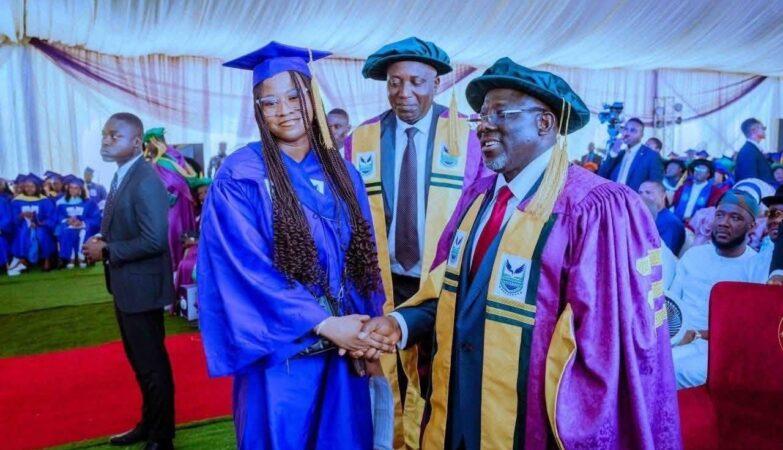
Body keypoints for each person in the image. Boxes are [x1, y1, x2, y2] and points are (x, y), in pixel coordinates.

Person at [358, 58, 681, 449]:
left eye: (500, 113)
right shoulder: (478, 197)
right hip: (457, 411)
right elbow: (450, 291)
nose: (484, 126)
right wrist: (400, 324)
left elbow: (608, 346)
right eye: (482, 115)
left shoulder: (594, 207)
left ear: (544, 123)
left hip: (533, 425)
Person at [198, 42, 393, 450]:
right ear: (258, 110)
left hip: (345, 350)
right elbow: (243, 267)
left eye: (294, 96)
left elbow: (364, 259)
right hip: (283, 356)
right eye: (269, 102)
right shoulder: (242, 175)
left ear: (313, 97)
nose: (284, 110)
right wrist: (323, 323)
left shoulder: (344, 173)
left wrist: (368, 334)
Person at [343, 36, 486, 448]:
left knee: (438, 381)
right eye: (395, 82)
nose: (404, 93)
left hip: (443, 287)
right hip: (383, 283)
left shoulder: (467, 137)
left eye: (417, 82)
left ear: (437, 83)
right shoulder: (362, 139)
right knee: (388, 380)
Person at [82, 113, 175, 450]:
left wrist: (107, 250)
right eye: (105, 135)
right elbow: (129, 227)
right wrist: (102, 238)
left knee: (152, 366)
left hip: (142, 287)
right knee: (141, 364)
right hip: (127, 285)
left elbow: (155, 240)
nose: (106, 141)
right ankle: (149, 425)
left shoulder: (145, 179)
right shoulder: (124, 174)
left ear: (136, 142)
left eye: (115, 136)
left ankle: (162, 438)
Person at [669, 190, 762, 389]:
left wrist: (697, 335)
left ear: (752, 226)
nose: (723, 223)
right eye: (719, 215)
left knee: (673, 369)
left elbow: (750, 330)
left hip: (720, 347)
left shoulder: (757, 268)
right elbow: (671, 303)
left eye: (735, 218)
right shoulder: (693, 256)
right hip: (678, 337)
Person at [142, 127, 198, 272]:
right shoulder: (164, 157)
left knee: (173, 231)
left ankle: (176, 267)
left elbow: (172, 182)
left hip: (174, 202)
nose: (147, 146)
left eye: (148, 143)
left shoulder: (167, 158)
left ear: (155, 141)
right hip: (173, 201)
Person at [8, 174, 57, 275]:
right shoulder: (17, 201)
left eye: (32, 186)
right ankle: (23, 261)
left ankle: (46, 260)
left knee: (42, 235)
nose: (29, 189)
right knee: (22, 234)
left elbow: (52, 217)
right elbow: (13, 218)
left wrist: (41, 223)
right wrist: (21, 216)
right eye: (26, 186)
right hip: (22, 226)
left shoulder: (44, 200)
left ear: (37, 187)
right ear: (23, 187)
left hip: (41, 226)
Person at [597, 117, 664, 191]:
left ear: (641, 135)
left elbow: (656, 187)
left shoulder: (652, 156)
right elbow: (601, 176)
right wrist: (613, 152)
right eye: (626, 129)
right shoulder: (618, 154)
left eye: (633, 130)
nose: (627, 133)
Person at [55, 176, 101, 269]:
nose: (73, 190)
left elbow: (95, 217)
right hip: (68, 225)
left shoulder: (89, 202)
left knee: (84, 231)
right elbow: (58, 216)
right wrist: (67, 221)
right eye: (71, 188)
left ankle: (82, 256)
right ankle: (70, 258)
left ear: (80, 190)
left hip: (84, 226)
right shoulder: (62, 203)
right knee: (66, 231)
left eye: (76, 188)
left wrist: (83, 223)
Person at [640, 180, 685, 255]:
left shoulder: (671, 223)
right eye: (640, 193)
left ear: (663, 196)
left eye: (648, 192)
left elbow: (661, 256)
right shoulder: (642, 217)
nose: (643, 196)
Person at [735, 118, 774, 184]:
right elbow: (749, 181)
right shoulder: (748, 152)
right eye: (763, 128)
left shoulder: (752, 150)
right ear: (753, 130)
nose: (764, 131)